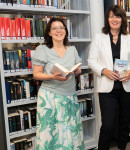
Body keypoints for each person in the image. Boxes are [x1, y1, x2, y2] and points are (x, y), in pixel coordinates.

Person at [88, 5, 130, 150]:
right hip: (107, 88)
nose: (114, 19)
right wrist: (104, 70)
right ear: (107, 19)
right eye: (111, 16)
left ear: (122, 19)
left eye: (117, 16)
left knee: (124, 125)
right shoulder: (99, 38)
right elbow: (91, 60)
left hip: (127, 87)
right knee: (108, 125)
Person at [32, 17, 84, 149]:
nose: (58, 31)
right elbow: (36, 74)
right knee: (50, 136)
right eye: (54, 28)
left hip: (70, 97)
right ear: (49, 33)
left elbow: (78, 68)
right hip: (50, 98)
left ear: (65, 31)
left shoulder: (72, 49)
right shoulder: (42, 49)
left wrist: (77, 71)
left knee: (71, 134)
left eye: (61, 28)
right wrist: (52, 76)